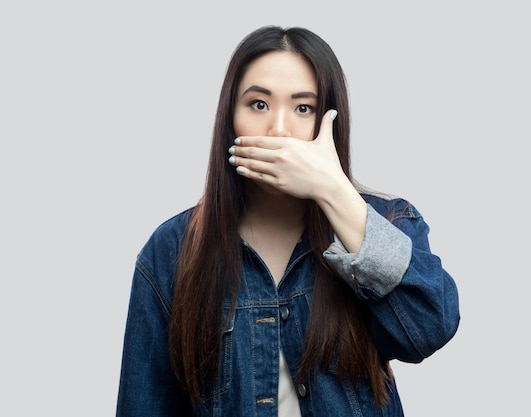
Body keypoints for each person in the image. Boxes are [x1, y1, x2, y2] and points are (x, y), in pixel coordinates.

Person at [116, 25, 460, 417]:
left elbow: (431, 329)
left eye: (303, 108)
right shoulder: (170, 250)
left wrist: (333, 190)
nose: (278, 130)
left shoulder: (388, 221)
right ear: (230, 118)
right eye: (258, 105)